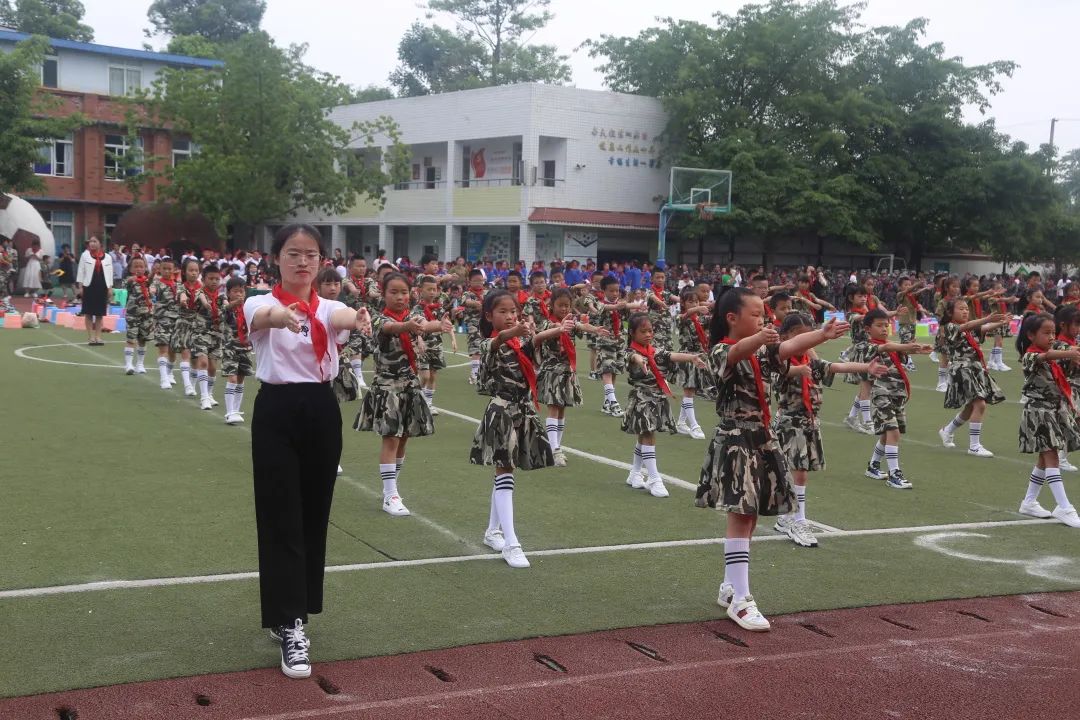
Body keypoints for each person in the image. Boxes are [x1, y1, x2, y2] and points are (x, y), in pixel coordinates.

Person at [244, 223, 372, 679]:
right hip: (276, 409)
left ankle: (297, 611)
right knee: (280, 514)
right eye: (294, 253)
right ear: (276, 257)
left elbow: (338, 318)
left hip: (321, 407)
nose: (303, 261)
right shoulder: (258, 301)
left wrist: (355, 317)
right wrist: (282, 317)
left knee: (315, 512)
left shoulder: (330, 305)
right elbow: (263, 321)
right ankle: (290, 622)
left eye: (312, 254)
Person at [695, 288, 849, 632]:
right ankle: (741, 600)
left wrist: (820, 336)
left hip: (762, 440)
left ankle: (730, 586)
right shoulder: (721, 349)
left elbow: (787, 348)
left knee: (750, 519)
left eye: (765, 317)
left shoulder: (763, 353)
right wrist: (761, 339)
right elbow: (735, 351)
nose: (763, 321)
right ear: (732, 318)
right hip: (737, 440)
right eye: (756, 315)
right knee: (741, 514)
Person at [772, 312, 886, 547]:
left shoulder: (810, 362)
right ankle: (799, 521)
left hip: (810, 423)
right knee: (800, 471)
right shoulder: (779, 360)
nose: (806, 342)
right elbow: (780, 374)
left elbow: (836, 366)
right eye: (800, 337)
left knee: (800, 471)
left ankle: (786, 517)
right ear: (785, 337)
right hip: (791, 423)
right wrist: (797, 371)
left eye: (810, 337)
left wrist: (867, 366)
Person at [470, 290, 554, 568]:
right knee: (505, 470)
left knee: (507, 471)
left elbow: (536, 341)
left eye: (513, 312)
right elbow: (498, 342)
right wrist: (516, 329)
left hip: (524, 410)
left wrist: (558, 329)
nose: (509, 317)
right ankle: (512, 542)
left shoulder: (521, 342)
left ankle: (493, 532)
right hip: (502, 413)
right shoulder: (488, 344)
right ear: (489, 316)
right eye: (503, 312)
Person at [354, 272, 448, 517]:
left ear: (411, 293)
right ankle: (390, 495)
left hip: (409, 386)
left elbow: (425, 326)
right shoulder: (378, 318)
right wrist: (407, 326)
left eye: (404, 292)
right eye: (393, 292)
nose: (399, 297)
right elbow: (389, 328)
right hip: (388, 388)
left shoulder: (413, 316)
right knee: (391, 438)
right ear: (383, 294)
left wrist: (442, 325)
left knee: (404, 437)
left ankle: (391, 488)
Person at [623, 312, 709, 497]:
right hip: (641, 400)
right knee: (648, 435)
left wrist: (691, 358)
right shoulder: (630, 352)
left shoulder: (654, 351)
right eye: (643, 331)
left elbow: (672, 355)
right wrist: (641, 360)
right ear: (632, 333)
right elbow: (633, 358)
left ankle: (635, 473)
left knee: (644, 435)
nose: (648, 334)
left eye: (650, 331)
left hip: (657, 399)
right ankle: (654, 479)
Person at [1015, 312, 1080, 527]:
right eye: (1046, 333)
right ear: (1031, 335)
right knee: (1051, 456)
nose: (1051, 336)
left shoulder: (1054, 356)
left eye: (1053, 332)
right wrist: (1068, 353)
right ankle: (1064, 506)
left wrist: (1071, 356)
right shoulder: (1030, 356)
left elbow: (1059, 361)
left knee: (1044, 459)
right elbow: (1045, 356)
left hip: (1053, 411)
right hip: (1038, 413)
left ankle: (1029, 501)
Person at [534, 288, 607, 466]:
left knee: (562, 409)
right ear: (551, 306)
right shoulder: (546, 323)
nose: (564, 309)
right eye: (560, 305)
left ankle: (557, 445)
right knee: (553, 407)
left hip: (567, 372)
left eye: (567, 305)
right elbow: (549, 330)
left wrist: (595, 329)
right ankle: (554, 449)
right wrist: (560, 327)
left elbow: (581, 326)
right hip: (553, 371)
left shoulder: (571, 321)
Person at [862, 309, 934, 488]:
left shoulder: (890, 345)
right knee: (892, 431)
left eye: (886, 325)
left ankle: (873, 465)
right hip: (882, 395)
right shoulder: (868, 346)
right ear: (867, 329)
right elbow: (886, 347)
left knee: (889, 434)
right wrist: (908, 346)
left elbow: (895, 351)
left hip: (896, 395)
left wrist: (917, 350)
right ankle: (894, 474)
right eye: (879, 326)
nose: (884, 329)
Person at [936, 298, 1009, 457]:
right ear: (950, 313)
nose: (965, 311)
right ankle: (974, 446)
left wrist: (1001, 322)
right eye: (961, 309)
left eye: (966, 309)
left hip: (975, 368)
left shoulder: (971, 329)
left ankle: (947, 430)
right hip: (962, 369)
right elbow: (967, 326)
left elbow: (984, 328)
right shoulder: (949, 327)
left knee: (971, 407)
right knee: (980, 404)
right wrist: (987, 318)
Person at [593, 276, 645, 418]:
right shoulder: (599, 303)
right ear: (604, 290)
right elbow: (606, 307)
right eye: (611, 291)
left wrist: (638, 307)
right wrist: (618, 306)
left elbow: (629, 313)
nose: (615, 294)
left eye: (617, 291)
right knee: (607, 371)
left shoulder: (621, 305)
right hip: (605, 343)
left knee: (614, 372)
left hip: (619, 343)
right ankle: (614, 404)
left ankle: (607, 403)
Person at [414, 274, 456, 415]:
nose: (432, 292)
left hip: (436, 346)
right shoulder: (417, 309)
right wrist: (419, 339)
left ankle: (429, 403)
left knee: (432, 376)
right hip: (422, 347)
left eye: (434, 289)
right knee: (424, 376)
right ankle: (415, 398)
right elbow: (415, 326)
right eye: (429, 289)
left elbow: (447, 323)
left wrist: (453, 339)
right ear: (420, 291)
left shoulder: (438, 308)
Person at [675, 287, 713, 439]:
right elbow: (685, 316)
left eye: (696, 301)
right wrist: (698, 308)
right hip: (687, 357)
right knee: (689, 390)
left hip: (700, 357)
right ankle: (694, 425)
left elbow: (712, 321)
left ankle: (681, 422)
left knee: (692, 390)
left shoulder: (700, 319)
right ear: (683, 303)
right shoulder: (681, 318)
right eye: (690, 302)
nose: (694, 304)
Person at [191, 264, 227, 411]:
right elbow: (204, 302)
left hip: (217, 334)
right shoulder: (200, 292)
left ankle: (210, 394)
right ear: (204, 279)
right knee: (204, 363)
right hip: (201, 333)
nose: (214, 281)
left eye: (217, 279)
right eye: (211, 278)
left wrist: (232, 305)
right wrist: (208, 304)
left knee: (213, 367)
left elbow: (226, 305)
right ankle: (204, 397)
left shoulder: (221, 295)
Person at [221, 276, 254, 425]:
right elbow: (222, 311)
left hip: (245, 348)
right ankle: (229, 411)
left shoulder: (247, 308)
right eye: (235, 291)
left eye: (241, 291)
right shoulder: (227, 308)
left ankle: (236, 409)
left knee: (241, 379)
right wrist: (233, 304)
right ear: (228, 293)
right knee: (232, 378)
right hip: (230, 348)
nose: (239, 294)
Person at [173, 258, 203, 397]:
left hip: (198, 325)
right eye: (190, 270)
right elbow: (181, 295)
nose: (193, 273)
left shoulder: (202, 287)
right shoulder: (180, 286)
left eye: (196, 270)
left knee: (196, 358)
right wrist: (183, 299)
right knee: (186, 353)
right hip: (184, 323)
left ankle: (192, 385)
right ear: (184, 272)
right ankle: (187, 385)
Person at [75, 236, 113, 345]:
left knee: (99, 313)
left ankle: (98, 337)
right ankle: (90, 337)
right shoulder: (85, 255)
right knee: (88, 313)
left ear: (100, 244)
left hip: (102, 287)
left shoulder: (108, 258)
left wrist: (110, 287)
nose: (92, 243)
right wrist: (80, 286)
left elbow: (110, 273)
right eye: (90, 242)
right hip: (89, 286)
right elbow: (81, 271)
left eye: (95, 241)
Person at [150, 257, 180, 390]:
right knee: (163, 348)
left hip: (177, 322)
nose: (167, 271)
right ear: (160, 269)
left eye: (170, 269)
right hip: (162, 320)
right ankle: (163, 378)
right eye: (164, 268)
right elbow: (152, 290)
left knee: (173, 351)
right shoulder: (156, 284)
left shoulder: (178, 285)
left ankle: (169, 373)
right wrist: (152, 292)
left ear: (174, 270)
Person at [122, 256, 153, 375]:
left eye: (142, 266)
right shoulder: (130, 280)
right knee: (131, 338)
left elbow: (151, 281)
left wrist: (154, 272)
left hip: (146, 314)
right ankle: (129, 364)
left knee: (143, 339)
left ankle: (140, 364)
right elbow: (126, 283)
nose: (139, 269)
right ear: (130, 269)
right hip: (132, 314)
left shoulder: (147, 280)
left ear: (145, 268)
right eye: (136, 266)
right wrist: (133, 278)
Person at [461, 269, 487, 385]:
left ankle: (482, 373)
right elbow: (466, 302)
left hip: (486, 325)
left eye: (480, 281)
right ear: (469, 281)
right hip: (473, 325)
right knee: (475, 348)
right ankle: (474, 374)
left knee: (485, 348)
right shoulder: (468, 293)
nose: (478, 283)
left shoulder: (486, 293)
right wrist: (475, 303)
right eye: (475, 281)